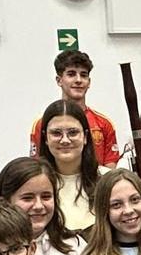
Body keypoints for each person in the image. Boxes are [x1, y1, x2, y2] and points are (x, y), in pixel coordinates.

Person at [28, 49, 121, 165]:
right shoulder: (42, 123)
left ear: (89, 82)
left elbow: (110, 170)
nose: (78, 80)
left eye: (83, 75)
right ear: (59, 80)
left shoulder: (104, 123)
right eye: (71, 74)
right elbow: (36, 167)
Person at [39, 99, 107, 235]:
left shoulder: (108, 180)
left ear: (86, 136)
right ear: (45, 138)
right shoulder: (35, 184)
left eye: (73, 132)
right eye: (56, 133)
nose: (65, 140)